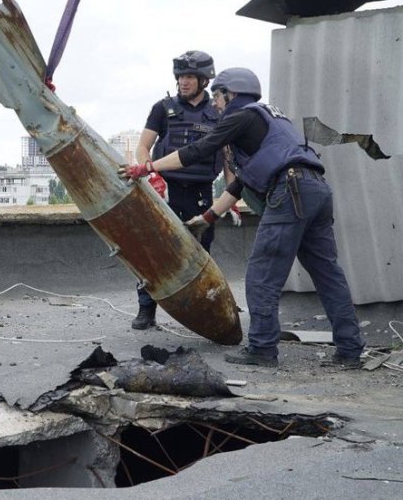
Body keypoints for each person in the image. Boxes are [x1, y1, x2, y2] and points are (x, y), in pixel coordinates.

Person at [121, 67, 365, 368]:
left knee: (262, 275)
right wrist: (208, 217)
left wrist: (148, 167)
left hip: (290, 191)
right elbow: (242, 182)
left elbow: (199, 149)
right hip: (315, 190)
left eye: (218, 96)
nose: (215, 104)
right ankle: (350, 349)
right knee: (328, 274)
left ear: (230, 93)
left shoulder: (242, 116)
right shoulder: (270, 121)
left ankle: (262, 348)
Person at [128, 50, 234, 330]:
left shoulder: (219, 111)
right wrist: (150, 175)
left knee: (199, 254)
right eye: (181, 77)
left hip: (201, 192)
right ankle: (146, 309)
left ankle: (201, 312)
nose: (184, 82)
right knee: (152, 251)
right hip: (166, 190)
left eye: (190, 77)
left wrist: (231, 195)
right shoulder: (163, 108)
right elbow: (143, 147)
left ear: (203, 80)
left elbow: (227, 155)